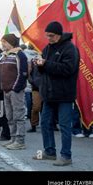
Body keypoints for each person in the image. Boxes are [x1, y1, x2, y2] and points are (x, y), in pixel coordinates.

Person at [33, 21, 79, 166]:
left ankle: (66, 156)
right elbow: (45, 68)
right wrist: (39, 65)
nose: (49, 38)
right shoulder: (48, 48)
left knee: (65, 126)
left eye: (51, 36)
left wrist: (45, 64)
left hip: (64, 94)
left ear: (59, 34)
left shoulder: (70, 48)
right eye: (47, 35)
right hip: (48, 93)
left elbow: (68, 69)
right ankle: (49, 152)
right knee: (45, 123)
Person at [0, 33, 28, 150]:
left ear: (11, 42)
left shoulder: (20, 55)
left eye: (4, 42)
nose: (3, 44)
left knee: (18, 115)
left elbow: (23, 73)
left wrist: (15, 88)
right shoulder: (4, 55)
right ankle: (13, 138)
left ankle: (20, 141)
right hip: (5, 90)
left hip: (15, 91)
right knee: (10, 116)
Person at [26, 44, 42, 133]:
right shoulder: (32, 61)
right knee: (36, 107)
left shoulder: (47, 57)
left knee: (48, 108)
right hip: (36, 87)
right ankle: (34, 125)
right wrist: (33, 82)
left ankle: (50, 124)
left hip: (46, 87)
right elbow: (29, 73)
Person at [23, 44, 38, 130]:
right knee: (35, 106)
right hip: (34, 85)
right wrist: (31, 81)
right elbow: (28, 71)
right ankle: (33, 124)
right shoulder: (28, 57)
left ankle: (48, 124)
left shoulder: (43, 54)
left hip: (42, 85)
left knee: (41, 107)